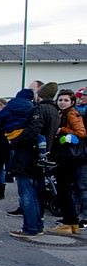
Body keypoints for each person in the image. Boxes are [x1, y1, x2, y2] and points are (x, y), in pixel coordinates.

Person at [8, 83, 60, 237]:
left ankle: (30, 227)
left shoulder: (40, 109)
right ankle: (37, 225)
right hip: (42, 156)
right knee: (37, 193)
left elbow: (32, 130)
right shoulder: (54, 110)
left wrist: (15, 142)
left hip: (28, 156)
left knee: (27, 193)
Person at [48, 89, 86, 234]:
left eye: (66, 100)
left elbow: (81, 132)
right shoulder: (65, 113)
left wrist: (63, 130)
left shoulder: (71, 114)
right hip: (69, 158)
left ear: (72, 102)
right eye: (60, 100)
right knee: (65, 190)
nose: (62, 103)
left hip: (69, 158)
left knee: (64, 190)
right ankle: (71, 222)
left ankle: (68, 223)